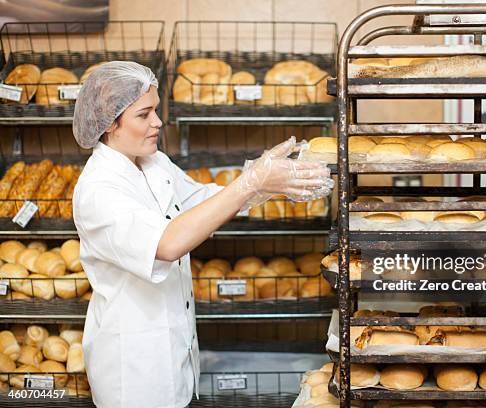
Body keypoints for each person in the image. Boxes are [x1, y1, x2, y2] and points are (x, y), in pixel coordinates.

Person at [71, 61, 333, 408]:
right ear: (109, 124)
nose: (158, 122)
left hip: (175, 351)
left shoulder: (153, 163)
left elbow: (203, 201)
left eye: (156, 111)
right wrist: (251, 183)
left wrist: (266, 178)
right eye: (143, 114)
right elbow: (167, 244)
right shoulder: (99, 190)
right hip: (133, 367)